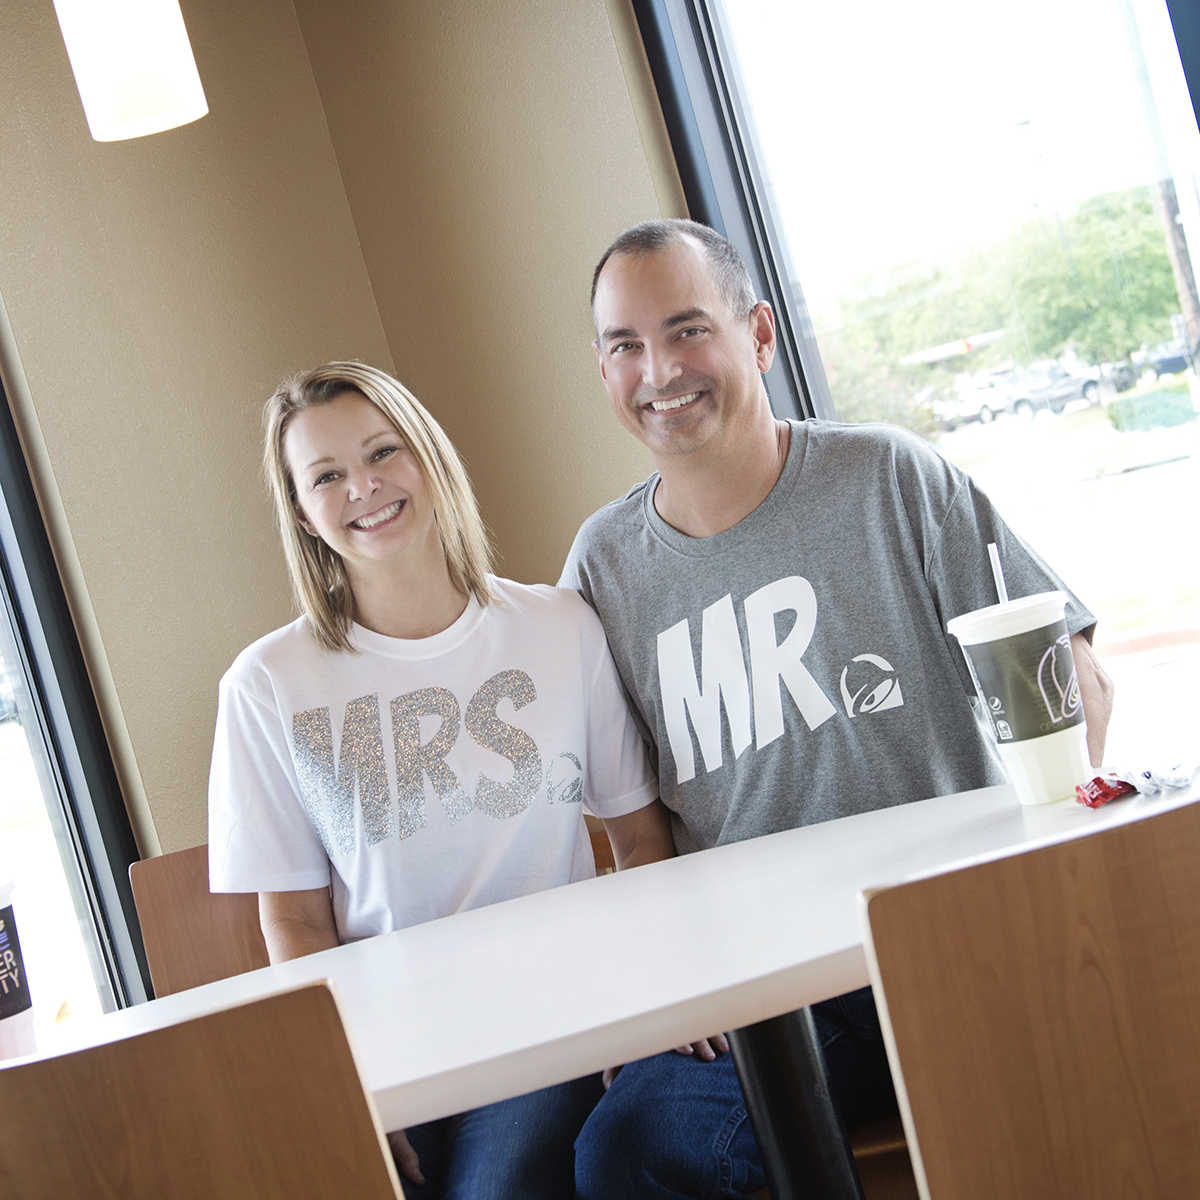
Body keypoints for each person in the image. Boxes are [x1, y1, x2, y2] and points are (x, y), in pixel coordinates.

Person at [561, 219, 1114, 1198]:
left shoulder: (889, 478)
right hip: (759, 993)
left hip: (947, 941)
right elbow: (621, 829)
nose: (658, 370)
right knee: (629, 1148)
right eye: (625, 345)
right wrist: (653, 979)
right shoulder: (600, 569)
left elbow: (1068, 664)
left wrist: (1048, 879)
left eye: (688, 330)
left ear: (760, 336)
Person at [208, 361, 665, 1199]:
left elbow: (639, 838)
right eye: (328, 476)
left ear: (428, 457)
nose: (365, 488)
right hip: (385, 1046)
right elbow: (296, 922)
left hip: (548, 1022)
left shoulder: (557, 627)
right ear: (303, 513)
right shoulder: (267, 684)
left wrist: (649, 1002)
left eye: (384, 453)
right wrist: (356, 1092)